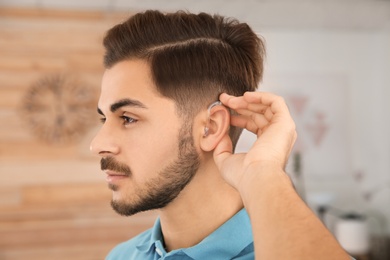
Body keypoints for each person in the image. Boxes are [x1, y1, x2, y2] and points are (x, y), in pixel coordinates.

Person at [90, 10, 351, 259]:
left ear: (211, 127)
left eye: (127, 118)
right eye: (104, 118)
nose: (97, 144)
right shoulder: (121, 256)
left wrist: (263, 173)